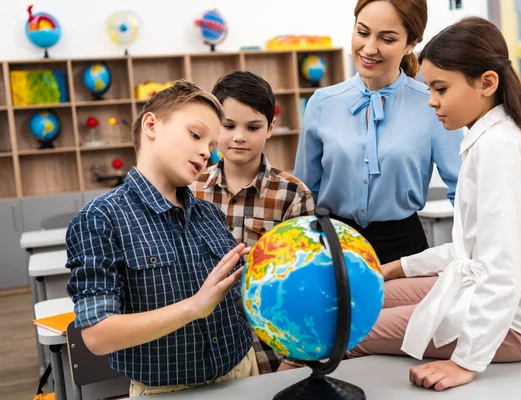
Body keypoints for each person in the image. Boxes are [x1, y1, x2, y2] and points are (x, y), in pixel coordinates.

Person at [347, 17, 521, 392]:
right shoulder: (488, 136)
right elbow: (469, 251)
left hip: (520, 324)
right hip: (493, 298)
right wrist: (397, 268)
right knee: (363, 296)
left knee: (347, 326)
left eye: (440, 88)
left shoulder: (499, 147)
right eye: (429, 88)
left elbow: (500, 270)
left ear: (487, 83)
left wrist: (465, 362)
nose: (432, 101)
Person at [65, 80, 258, 397]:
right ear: (151, 125)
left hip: (243, 373)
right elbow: (97, 334)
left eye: (211, 147)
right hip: (165, 391)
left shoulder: (209, 214)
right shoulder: (100, 218)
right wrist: (193, 308)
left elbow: (234, 302)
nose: (205, 154)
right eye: (196, 135)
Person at [293, 0, 463, 267]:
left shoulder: (431, 105)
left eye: (387, 38)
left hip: (404, 250)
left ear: (411, 43)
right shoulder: (322, 103)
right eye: (362, 32)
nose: (369, 48)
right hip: (331, 248)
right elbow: (303, 194)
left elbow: (464, 190)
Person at [193, 71, 315, 374]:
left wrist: (295, 359)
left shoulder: (293, 195)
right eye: (228, 125)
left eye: (253, 127)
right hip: (200, 348)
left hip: (269, 353)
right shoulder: (190, 188)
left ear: (270, 128)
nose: (238, 136)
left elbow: (305, 285)